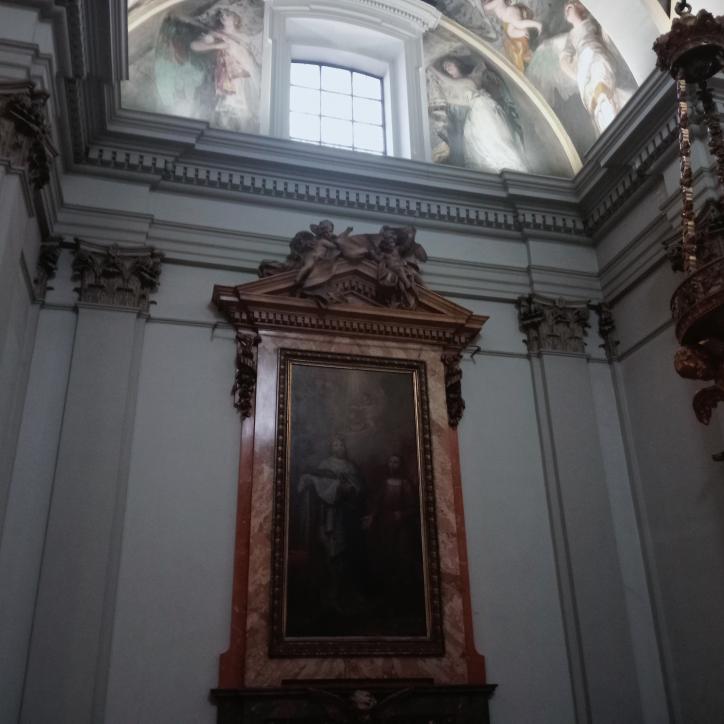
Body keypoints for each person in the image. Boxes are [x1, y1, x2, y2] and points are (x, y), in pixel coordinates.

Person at [297, 435, 366, 617]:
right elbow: (318, 486)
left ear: (345, 447)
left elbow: (358, 488)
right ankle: (329, 596)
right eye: (335, 444)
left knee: (346, 554)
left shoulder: (350, 467)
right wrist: (335, 486)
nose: (338, 447)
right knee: (331, 553)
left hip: (347, 515)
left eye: (341, 444)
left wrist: (349, 488)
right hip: (328, 515)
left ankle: (345, 594)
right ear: (331, 447)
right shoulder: (325, 464)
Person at [428, 57, 528, 173]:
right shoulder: (453, 88)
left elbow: (452, 83)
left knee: (492, 141)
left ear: (458, 65)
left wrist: (432, 68)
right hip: (473, 118)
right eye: (445, 68)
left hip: (482, 112)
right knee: (479, 146)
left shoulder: (470, 79)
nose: (447, 69)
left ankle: (507, 165)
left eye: (449, 65)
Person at [190, 7, 259, 131]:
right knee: (223, 121)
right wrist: (217, 45)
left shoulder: (244, 38)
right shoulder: (216, 35)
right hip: (224, 82)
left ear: (235, 17)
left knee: (244, 121)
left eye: (227, 14)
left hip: (243, 82)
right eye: (222, 14)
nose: (223, 17)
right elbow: (194, 46)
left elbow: (251, 62)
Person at [559, 1, 618, 133]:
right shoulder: (571, 36)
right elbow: (564, 60)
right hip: (584, 62)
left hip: (597, 53)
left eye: (571, 7)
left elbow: (605, 35)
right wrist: (577, 75)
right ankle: (605, 123)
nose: (569, 11)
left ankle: (611, 116)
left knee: (601, 77)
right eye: (567, 10)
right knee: (591, 92)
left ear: (581, 7)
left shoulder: (592, 22)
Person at [483, 0, 542, 72]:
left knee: (518, 24)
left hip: (509, 13)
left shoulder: (498, 1)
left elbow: (486, 7)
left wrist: (484, 4)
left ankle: (537, 25)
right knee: (510, 32)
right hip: (507, 18)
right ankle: (523, 33)